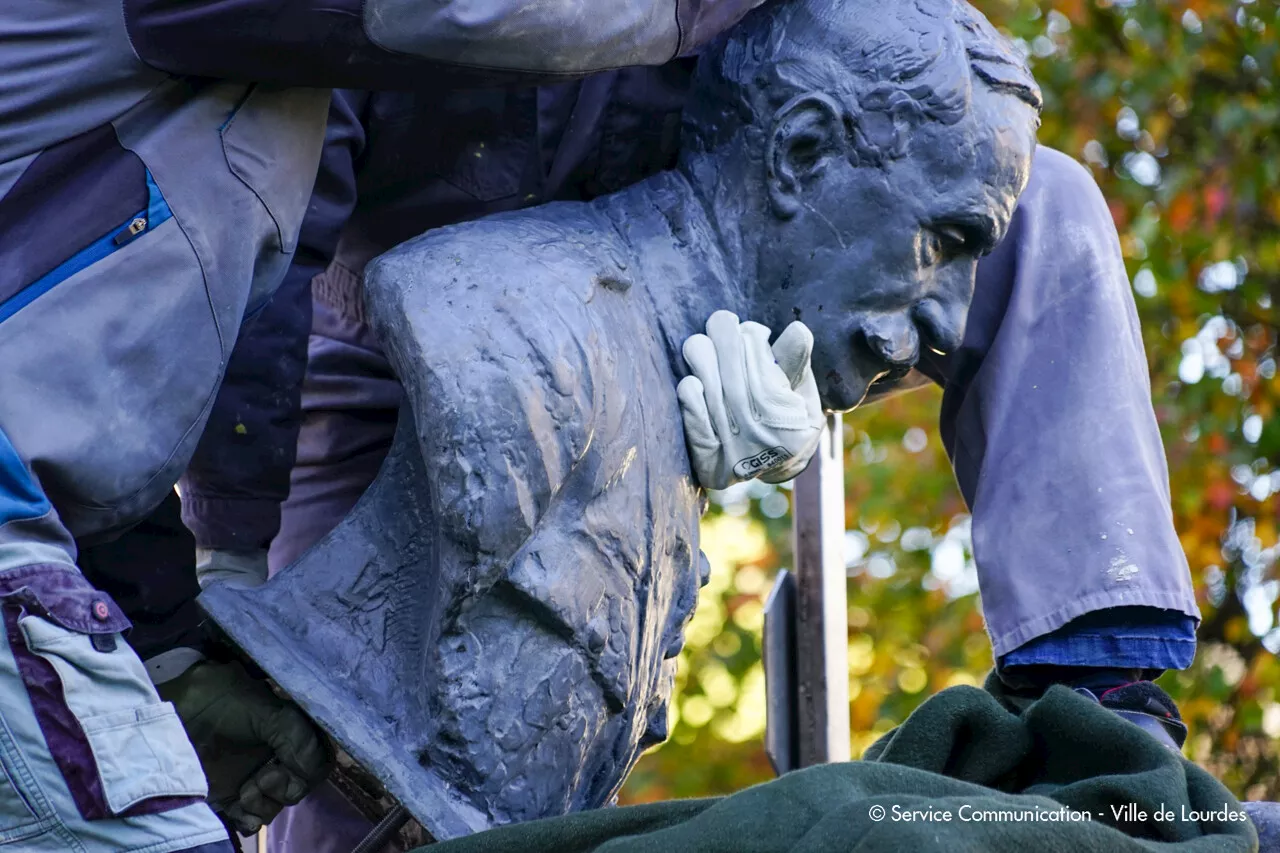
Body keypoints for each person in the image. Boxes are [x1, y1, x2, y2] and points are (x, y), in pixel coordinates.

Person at [179, 0, 1193, 848]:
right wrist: (226, 550)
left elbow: (914, 102)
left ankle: (1096, 690)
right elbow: (270, 229)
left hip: (712, 270)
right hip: (390, 328)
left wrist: (786, 348)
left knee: (1036, 204)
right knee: (329, 757)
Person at [0, 1, 770, 851]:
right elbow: (462, 11)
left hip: (43, 523)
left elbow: (105, 379)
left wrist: (166, 640)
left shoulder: (238, 117)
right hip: (341, 386)